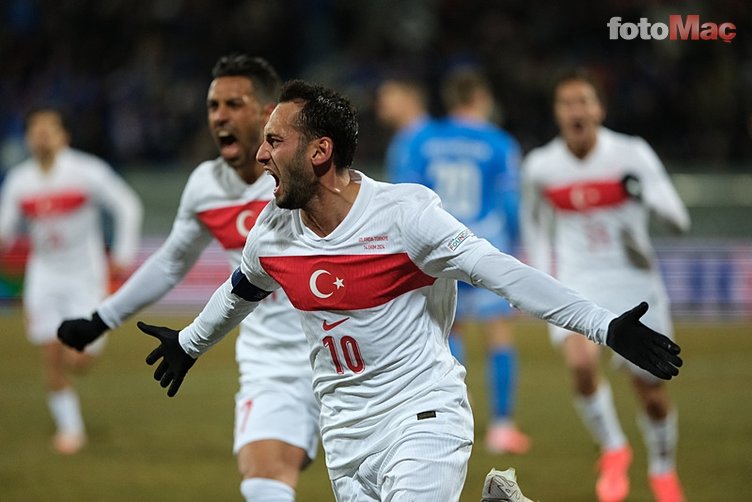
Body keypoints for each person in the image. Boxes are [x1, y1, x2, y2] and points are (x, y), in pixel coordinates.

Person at [136, 79, 682, 502]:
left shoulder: (405, 216)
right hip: (343, 435)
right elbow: (239, 291)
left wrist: (602, 324)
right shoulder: (274, 231)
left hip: (421, 417)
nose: (261, 156)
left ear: (320, 152)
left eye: (275, 141)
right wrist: (189, 344)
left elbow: (503, 272)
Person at [57, 54, 319, 501]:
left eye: (234, 104)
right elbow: (170, 263)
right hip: (271, 362)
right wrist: (102, 319)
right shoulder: (205, 186)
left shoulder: (310, 176)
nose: (219, 116)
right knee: (261, 484)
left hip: (342, 348)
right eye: (213, 105)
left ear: (267, 112)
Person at [521, 69, 689, 502]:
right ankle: (614, 449)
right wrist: (542, 280)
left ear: (599, 108)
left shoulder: (631, 153)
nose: (576, 110)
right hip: (578, 282)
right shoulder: (541, 166)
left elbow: (679, 219)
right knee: (580, 363)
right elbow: (535, 228)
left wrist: (643, 196)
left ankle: (663, 470)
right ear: (557, 113)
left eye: (583, 102)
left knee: (650, 392)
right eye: (566, 103)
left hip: (635, 283)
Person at [379, 68, 529, 454]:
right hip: (484, 246)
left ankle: (460, 412)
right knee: (498, 334)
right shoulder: (500, 143)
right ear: (481, 98)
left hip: (441, 248)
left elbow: (407, 195)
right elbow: (511, 203)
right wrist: (516, 242)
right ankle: (501, 427)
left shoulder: (425, 140)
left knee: (449, 333)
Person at [0, 106, 143, 454]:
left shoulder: (86, 171)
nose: (41, 135)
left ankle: (91, 345)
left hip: (85, 276)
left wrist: (122, 255)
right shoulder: (19, 180)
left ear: (64, 136)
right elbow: (4, 229)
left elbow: (127, 205)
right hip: (44, 275)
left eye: (48, 128)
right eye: (35, 129)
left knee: (78, 360)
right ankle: (70, 430)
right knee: (50, 355)